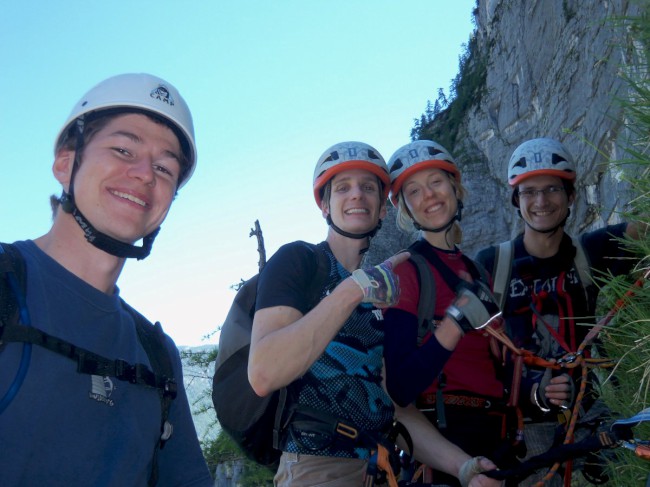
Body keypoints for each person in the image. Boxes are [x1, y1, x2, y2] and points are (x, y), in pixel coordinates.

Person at [247, 141, 504, 487]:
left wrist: (464, 467)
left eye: (368, 188)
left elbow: (396, 409)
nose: (356, 195)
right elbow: (263, 372)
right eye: (342, 188)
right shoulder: (300, 262)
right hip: (317, 467)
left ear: (383, 209)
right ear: (324, 205)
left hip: (380, 469)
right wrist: (352, 291)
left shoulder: (381, 293)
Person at [0, 73, 212, 486]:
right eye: (123, 149)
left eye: (165, 168)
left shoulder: (156, 354)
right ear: (66, 163)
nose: (146, 174)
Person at [474, 137, 642, 485]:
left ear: (570, 196)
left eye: (552, 188)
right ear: (515, 200)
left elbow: (641, 235)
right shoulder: (492, 265)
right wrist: (531, 391)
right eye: (528, 191)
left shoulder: (593, 251)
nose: (540, 201)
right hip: (524, 424)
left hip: (590, 415)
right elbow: (478, 356)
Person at [383, 140, 516, 486]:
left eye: (436, 183)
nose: (428, 195)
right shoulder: (407, 272)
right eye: (414, 191)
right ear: (406, 209)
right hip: (445, 438)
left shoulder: (477, 272)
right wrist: (454, 324)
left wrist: (537, 390)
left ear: (455, 189)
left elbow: (493, 365)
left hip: (498, 434)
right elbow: (398, 387)